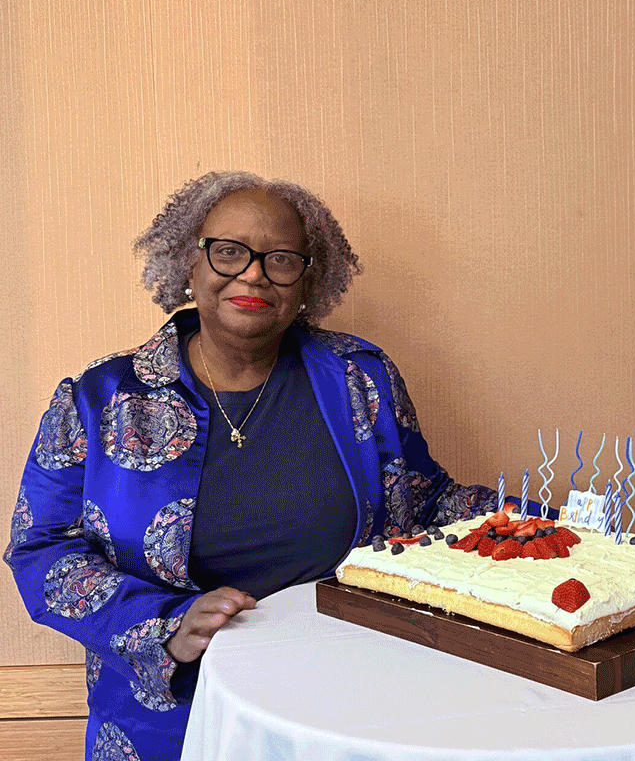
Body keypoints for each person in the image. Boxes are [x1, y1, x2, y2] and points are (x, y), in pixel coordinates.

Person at [5, 171, 494, 761]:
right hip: (172, 720)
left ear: (307, 281)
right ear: (190, 263)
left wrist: (553, 526)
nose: (254, 274)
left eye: (281, 259)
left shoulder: (359, 377)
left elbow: (425, 498)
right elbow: (43, 548)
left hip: (351, 705)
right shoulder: (101, 398)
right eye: (229, 251)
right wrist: (168, 625)